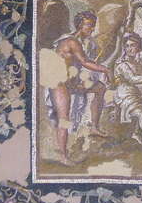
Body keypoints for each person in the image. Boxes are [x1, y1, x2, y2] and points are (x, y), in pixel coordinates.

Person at [45, 11, 111, 166]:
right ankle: (64, 156)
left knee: (100, 88)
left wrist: (86, 78)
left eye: (93, 26)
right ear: (79, 25)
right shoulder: (72, 42)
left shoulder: (84, 43)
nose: (92, 29)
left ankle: (94, 127)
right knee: (64, 119)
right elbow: (85, 62)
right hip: (59, 83)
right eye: (89, 25)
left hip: (72, 82)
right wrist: (105, 69)